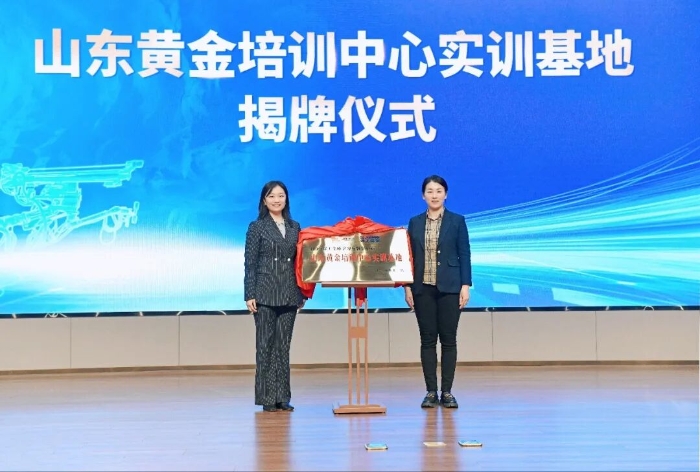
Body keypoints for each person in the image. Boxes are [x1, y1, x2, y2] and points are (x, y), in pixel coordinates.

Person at [404, 175, 472, 409]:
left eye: (439, 191)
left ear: (446, 194)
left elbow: (465, 254)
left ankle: (448, 392)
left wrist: (465, 285)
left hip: (451, 288)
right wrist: (407, 286)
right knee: (427, 340)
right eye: (430, 191)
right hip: (422, 288)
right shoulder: (414, 222)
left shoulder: (457, 221)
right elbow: (409, 257)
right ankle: (431, 392)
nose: (434, 195)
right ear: (423, 195)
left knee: (449, 340)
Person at [244, 181, 306, 412]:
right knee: (265, 346)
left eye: (281, 196)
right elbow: (250, 263)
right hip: (264, 293)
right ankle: (267, 397)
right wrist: (249, 293)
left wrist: (302, 291)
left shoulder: (295, 226)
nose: (277, 200)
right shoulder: (256, 227)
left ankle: (283, 397)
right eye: (272, 196)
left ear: (286, 199)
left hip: (289, 292)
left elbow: (300, 263)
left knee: (283, 346)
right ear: (264, 200)